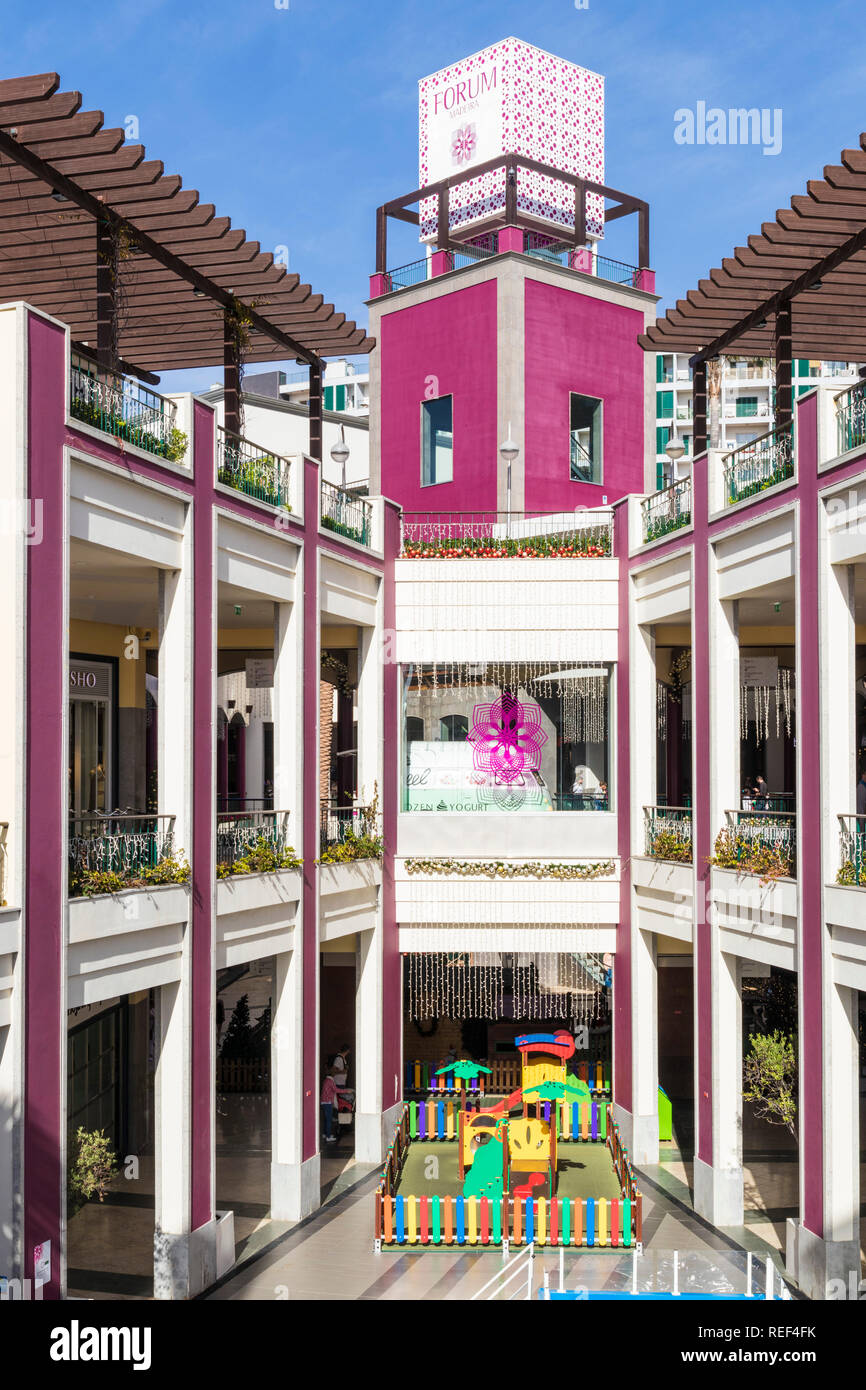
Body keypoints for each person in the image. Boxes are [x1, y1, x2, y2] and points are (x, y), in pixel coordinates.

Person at [321, 1070, 339, 1143]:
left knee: (326, 1119)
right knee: (329, 1120)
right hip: (328, 1102)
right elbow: (336, 1090)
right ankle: (328, 1137)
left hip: (324, 1102)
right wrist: (347, 1091)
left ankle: (325, 1134)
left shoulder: (325, 1080)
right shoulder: (330, 1081)